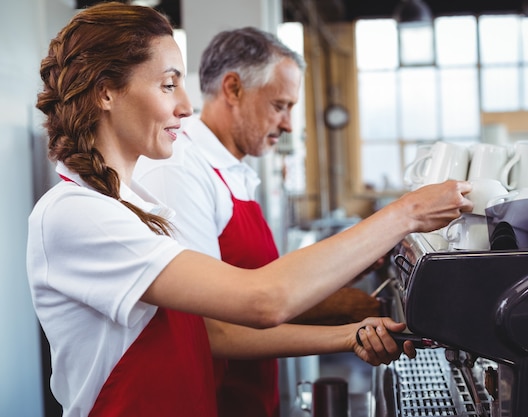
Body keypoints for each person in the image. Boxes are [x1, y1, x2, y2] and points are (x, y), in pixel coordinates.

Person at [27, 2, 473, 417]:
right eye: (168, 84)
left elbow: (210, 321)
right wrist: (407, 213)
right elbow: (261, 300)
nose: (185, 106)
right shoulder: (76, 213)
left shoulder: (137, 204)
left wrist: (349, 334)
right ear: (106, 93)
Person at [133, 26, 387, 417]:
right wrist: (345, 329)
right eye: (280, 105)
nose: (287, 124)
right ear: (233, 89)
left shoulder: (235, 172)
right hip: (208, 400)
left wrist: (353, 265)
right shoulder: (180, 169)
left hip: (248, 395)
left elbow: (263, 283)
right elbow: (209, 328)